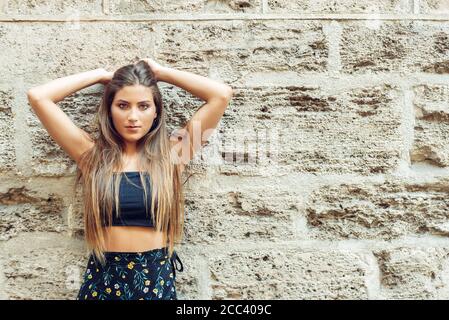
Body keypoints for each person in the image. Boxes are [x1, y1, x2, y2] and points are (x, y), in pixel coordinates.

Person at [26, 59, 233, 300]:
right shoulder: (92, 157)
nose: (133, 116)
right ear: (109, 109)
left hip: (154, 278)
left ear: (156, 112)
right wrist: (101, 75)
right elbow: (39, 97)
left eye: (143, 106)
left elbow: (220, 95)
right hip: (104, 278)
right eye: (123, 105)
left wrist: (161, 72)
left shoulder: (172, 155)